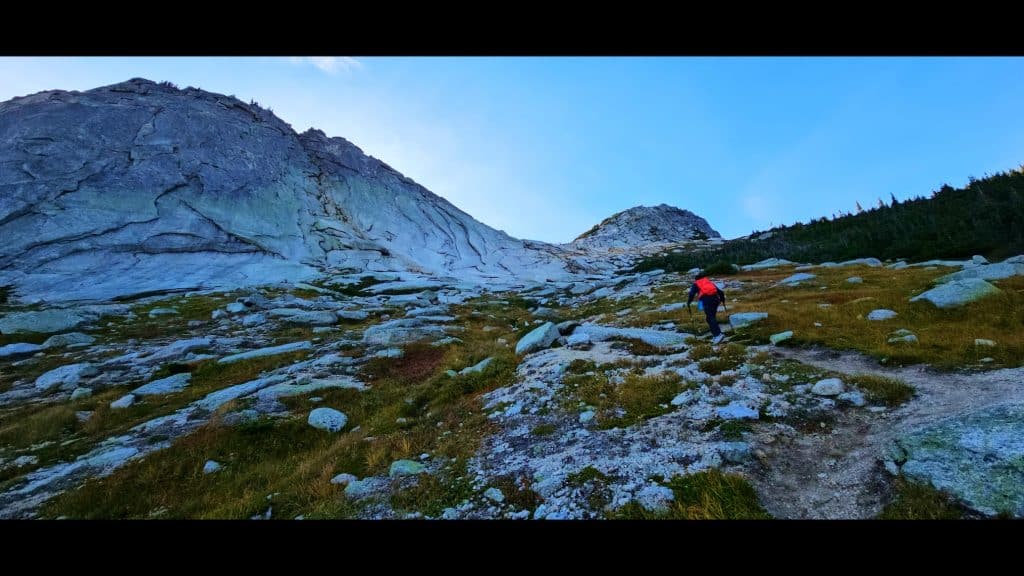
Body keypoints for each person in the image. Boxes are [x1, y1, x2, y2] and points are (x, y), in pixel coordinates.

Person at [687, 272, 727, 344]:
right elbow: (720, 292)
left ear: (696, 279)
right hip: (715, 300)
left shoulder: (696, 283)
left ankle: (718, 335)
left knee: (710, 318)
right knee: (712, 317)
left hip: (706, 300)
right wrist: (722, 300)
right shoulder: (708, 282)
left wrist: (688, 302)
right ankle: (717, 335)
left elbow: (691, 294)